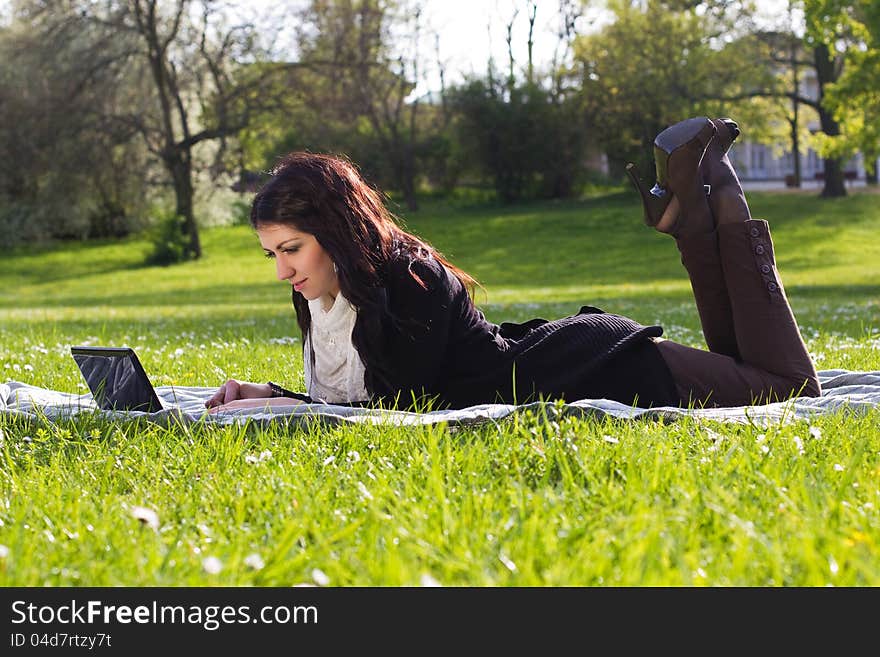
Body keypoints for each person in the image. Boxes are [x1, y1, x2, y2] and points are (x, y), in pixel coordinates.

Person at [206, 116, 820, 414]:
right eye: (272, 254)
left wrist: (285, 404)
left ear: (335, 232)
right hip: (572, 365)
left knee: (790, 388)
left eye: (291, 250)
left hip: (594, 371)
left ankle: (722, 189)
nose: (283, 271)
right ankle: (689, 213)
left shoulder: (410, 279)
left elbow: (404, 409)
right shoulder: (324, 291)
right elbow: (360, 406)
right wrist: (274, 395)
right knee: (750, 369)